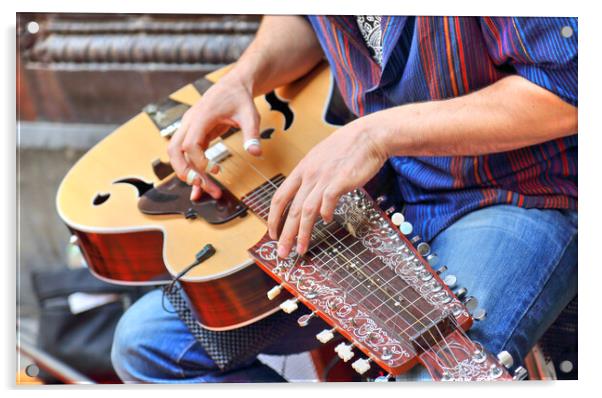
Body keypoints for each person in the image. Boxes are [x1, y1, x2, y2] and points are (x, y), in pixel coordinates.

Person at [111, 15, 578, 382]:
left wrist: (377, 134)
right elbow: (303, 21)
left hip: (521, 191)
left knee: (429, 375)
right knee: (148, 343)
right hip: (384, 189)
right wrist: (244, 76)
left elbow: (573, 90)